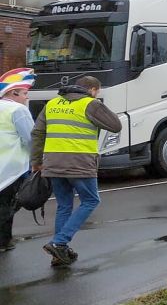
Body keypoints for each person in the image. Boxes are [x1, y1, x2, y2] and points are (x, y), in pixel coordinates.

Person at [31, 76, 122, 266]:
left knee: (64, 206)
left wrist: (37, 162)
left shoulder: (52, 104)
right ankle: (59, 241)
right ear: (92, 90)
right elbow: (115, 125)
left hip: (53, 163)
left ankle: (59, 253)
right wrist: (97, 104)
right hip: (79, 163)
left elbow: (38, 133)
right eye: (98, 91)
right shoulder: (90, 104)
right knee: (90, 200)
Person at [0, 68, 35, 252]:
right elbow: (31, 139)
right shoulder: (18, 110)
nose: (26, 98)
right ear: (13, 93)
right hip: (12, 168)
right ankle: (3, 241)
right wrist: (38, 160)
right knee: (7, 206)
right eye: (24, 93)